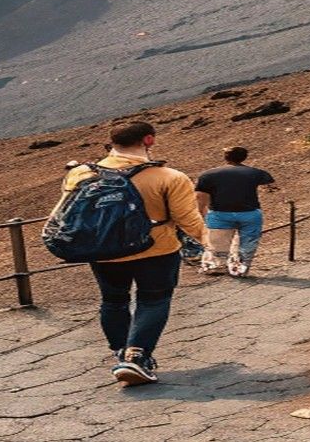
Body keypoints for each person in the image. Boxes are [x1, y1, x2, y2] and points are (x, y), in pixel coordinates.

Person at [56, 121, 205, 387]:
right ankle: (137, 356)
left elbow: (69, 211)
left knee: (113, 301)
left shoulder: (80, 173)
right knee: (154, 300)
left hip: (104, 251)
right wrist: (212, 244)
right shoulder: (169, 176)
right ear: (149, 140)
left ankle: (121, 352)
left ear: (112, 142)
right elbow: (187, 219)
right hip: (156, 249)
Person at [194, 147, 276, 278]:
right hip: (249, 213)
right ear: (244, 157)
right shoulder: (256, 173)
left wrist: (201, 210)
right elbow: (271, 186)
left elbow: (200, 196)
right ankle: (239, 269)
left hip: (219, 213)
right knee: (248, 242)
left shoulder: (208, 174)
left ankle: (215, 265)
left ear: (226, 157)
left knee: (217, 242)